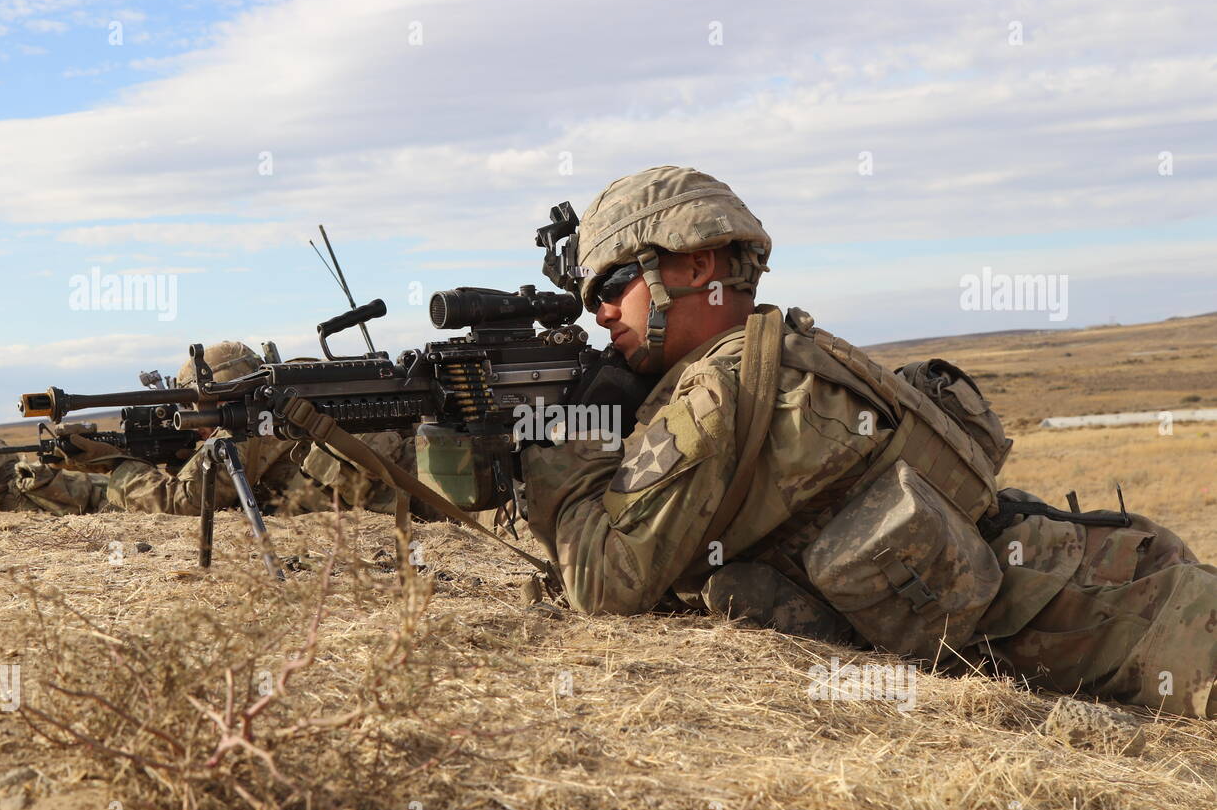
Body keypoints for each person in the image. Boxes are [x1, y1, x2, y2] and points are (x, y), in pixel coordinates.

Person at [518, 165, 1217, 719]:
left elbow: (605, 582)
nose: (601, 309)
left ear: (698, 267)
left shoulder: (719, 392)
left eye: (612, 281)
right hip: (1094, 577)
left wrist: (559, 448)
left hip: (1118, 618)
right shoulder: (771, 350)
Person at [62, 341, 415, 516]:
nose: (196, 416)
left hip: (418, 499)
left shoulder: (252, 426)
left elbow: (183, 505)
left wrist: (118, 467)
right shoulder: (294, 401)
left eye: (198, 405)